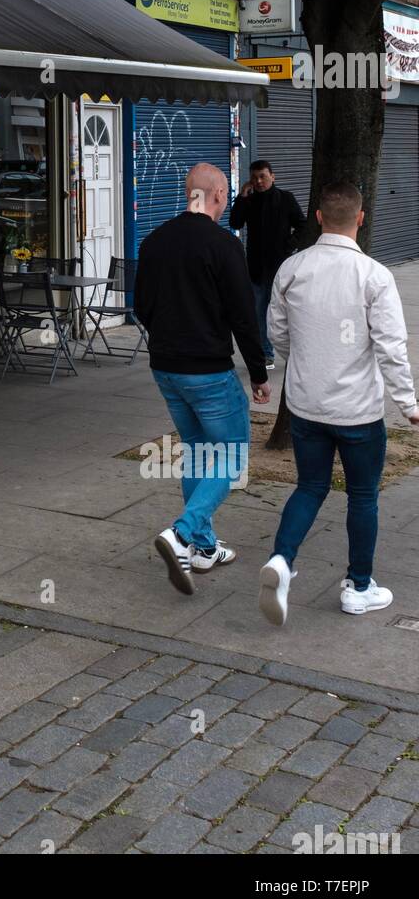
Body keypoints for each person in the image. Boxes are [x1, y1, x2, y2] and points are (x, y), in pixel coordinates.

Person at [259, 182, 419, 625]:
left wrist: (306, 359)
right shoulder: (374, 275)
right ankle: (359, 587)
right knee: (363, 496)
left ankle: (281, 560)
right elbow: (391, 347)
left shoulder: (292, 268)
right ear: (361, 218)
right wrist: (408, 402)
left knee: (309, 487)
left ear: (318, 217)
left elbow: (276, 333)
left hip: (306, 406)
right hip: (358, 413)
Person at [134, 163, 271, 595]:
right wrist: (259, 372)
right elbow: (243, 316)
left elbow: (141, 305)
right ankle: (181, 534)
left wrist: (165, 336)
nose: (228, 199)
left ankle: (204, 547)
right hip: (208, 370)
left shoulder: (155, 240)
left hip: (165, 367)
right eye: (226, 192)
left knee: (197, 452)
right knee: (231, 456)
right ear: (213, 195)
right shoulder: (223, 245)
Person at [229, 160, 306, 368]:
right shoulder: (250, 201)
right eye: (255, 178)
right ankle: (266, 354)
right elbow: (235, 223)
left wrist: (288, 246)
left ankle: (296, 353)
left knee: (289, 311)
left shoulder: (285, 199)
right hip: (256, 267)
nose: (259, 181)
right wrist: (242, 197)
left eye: (263, 176)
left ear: (273, 176)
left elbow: (302, 225)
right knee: (258, 311)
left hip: (282, 267)